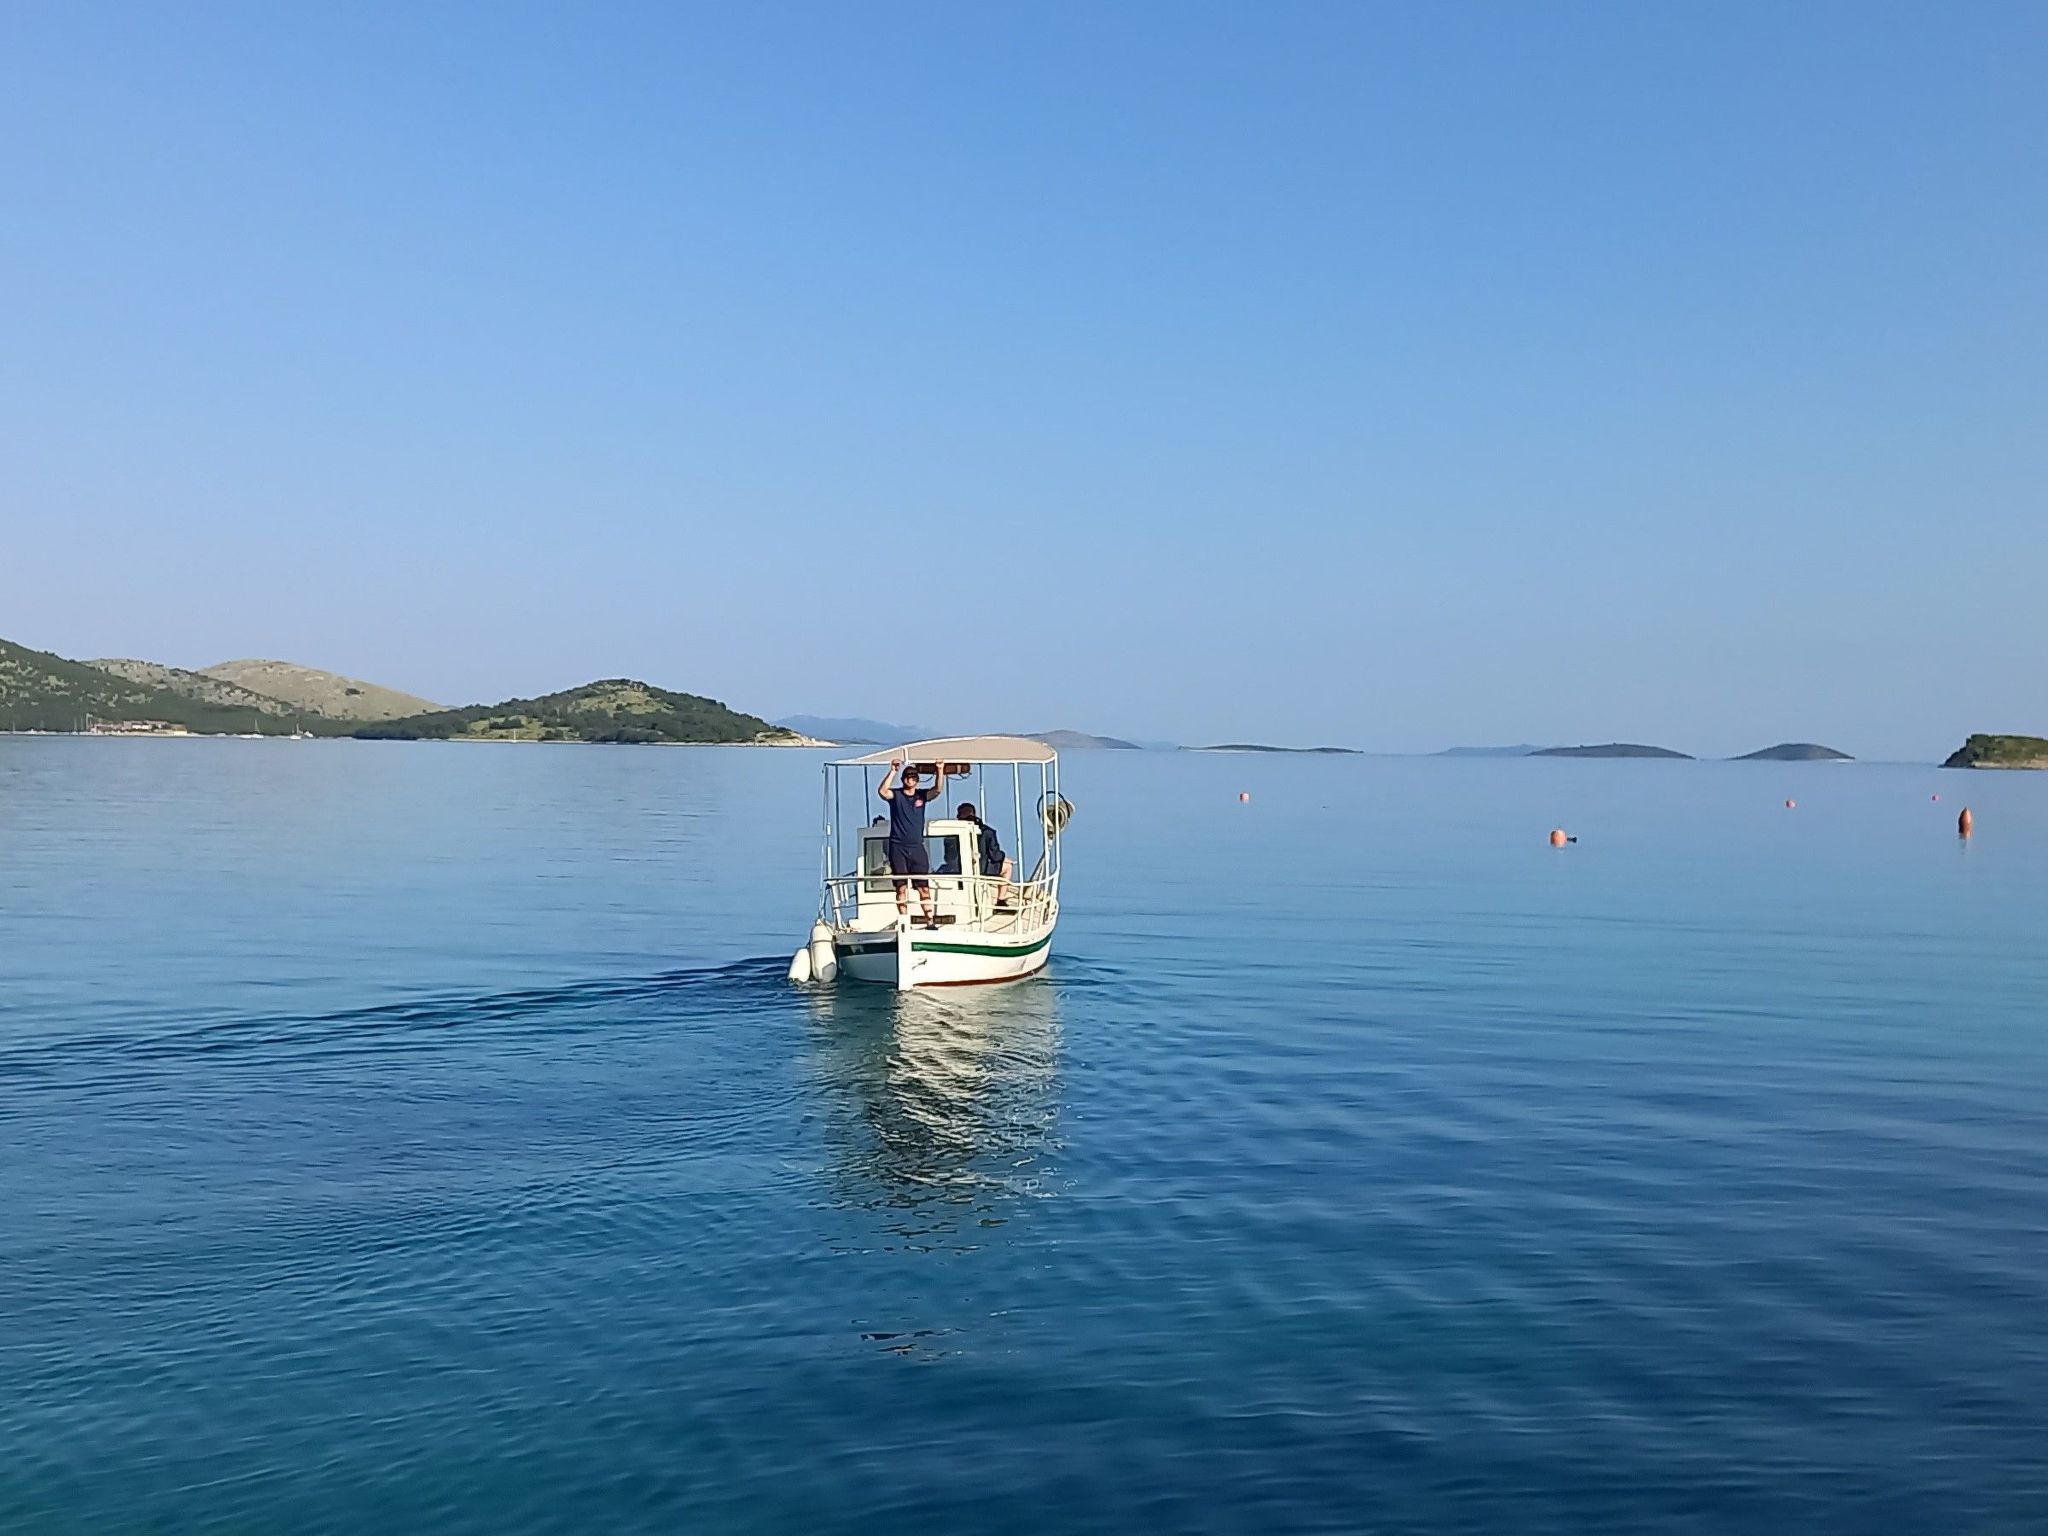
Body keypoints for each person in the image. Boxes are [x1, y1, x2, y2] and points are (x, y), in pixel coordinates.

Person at [878, 757, 946, 924]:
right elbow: (882, 792)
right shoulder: (896, 795)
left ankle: (930, 921)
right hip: (897, 847)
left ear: (917, 780)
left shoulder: (921, 795)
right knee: (901, 888)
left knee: (923, 888)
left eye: (914, 777)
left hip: (916, 847)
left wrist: (940, 770)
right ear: (903, 779)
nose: (911, 779)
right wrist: (893, 771)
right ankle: (904, 922)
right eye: (908, 777)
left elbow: (937, 790)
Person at [956, 802, 1015, 903]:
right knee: (1008, 867)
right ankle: (1001, 900)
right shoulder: (987, 832)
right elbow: (995, 856)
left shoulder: (953, 831)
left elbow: (948, 858)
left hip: (957, 870)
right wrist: (1003, 857)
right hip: (980, 869)